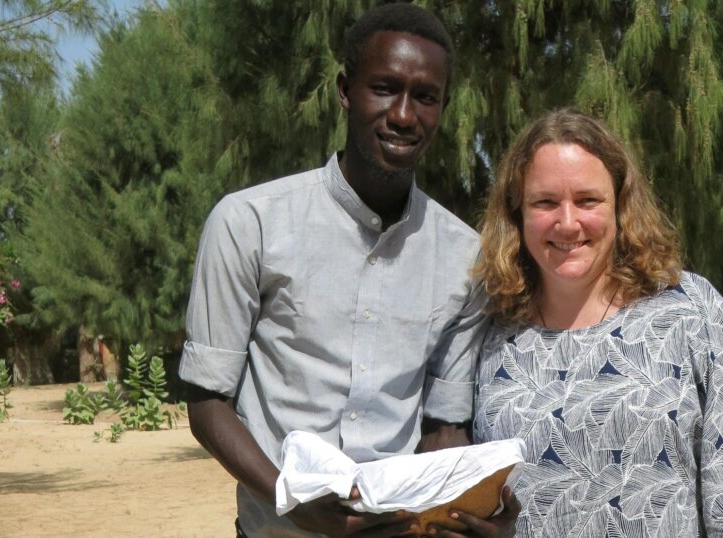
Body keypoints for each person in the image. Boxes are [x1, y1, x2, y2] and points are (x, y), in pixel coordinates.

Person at [179, 4, 516, 537]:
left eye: (425, 97)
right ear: (344, 90)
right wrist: (289, 498)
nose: (404, 114)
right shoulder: (249, 224)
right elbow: (206, 403)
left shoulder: (464, 257)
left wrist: (454, 506)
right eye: (384, 87)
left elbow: (443, 423)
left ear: (442, 107)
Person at [470, 108, 723, 537]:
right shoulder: (491, 335)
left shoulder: (689, 312)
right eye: (545, 202)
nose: (567, 222)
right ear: (517, 213)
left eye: (588, 200)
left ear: (621, 205)